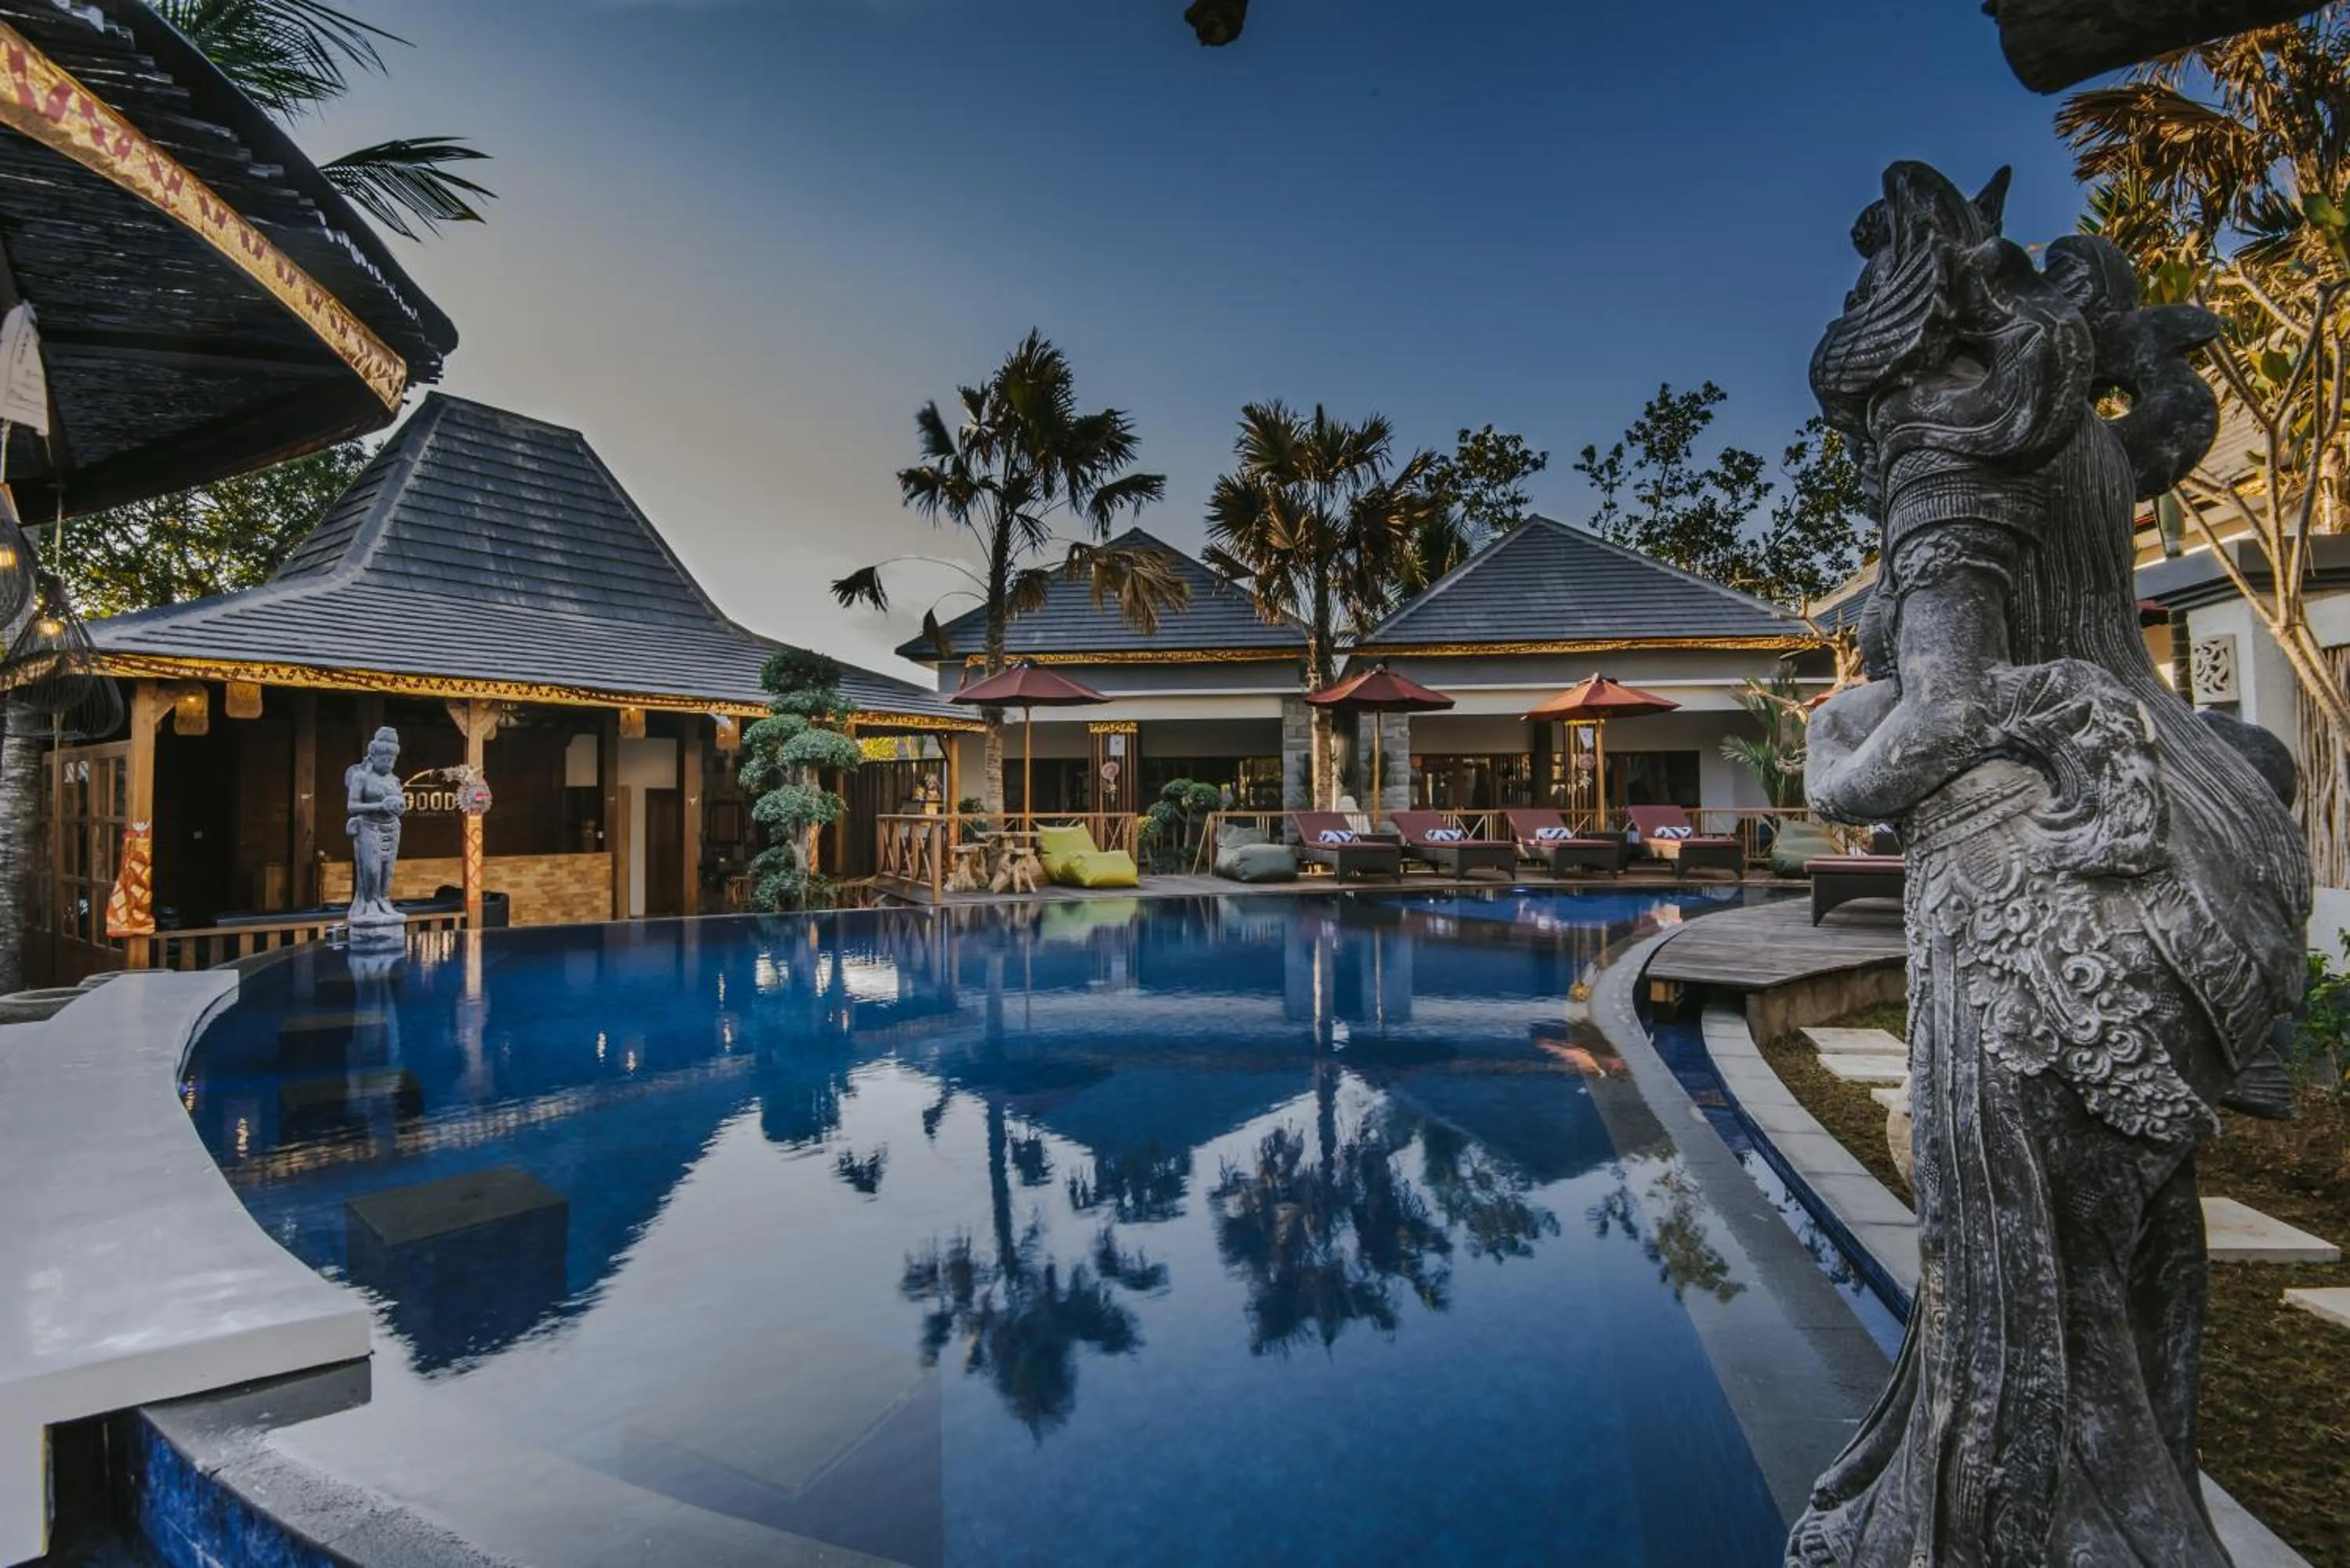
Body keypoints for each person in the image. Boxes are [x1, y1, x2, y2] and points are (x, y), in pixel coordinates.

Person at [1792, 165, 2308, 1567]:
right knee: (2133, 1275)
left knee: (2022, 1291)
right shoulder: (2080, 437)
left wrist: (1828, 773)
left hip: (2035, 898)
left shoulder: (1945, 439)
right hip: (2196, 844)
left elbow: (1948, 710)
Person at [345, 726, 407, 927]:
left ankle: (383, 900)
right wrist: (380, 805)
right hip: (369, 827)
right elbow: (352, 806)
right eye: (384, 759)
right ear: (373, 755)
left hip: (391, 827)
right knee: (371, 869)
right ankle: (369, 903)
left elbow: (399, 803)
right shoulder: (362, 777)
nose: (388, 763)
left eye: (392, 760)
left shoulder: (394, 780)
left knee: (387, 869)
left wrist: (397, 806)